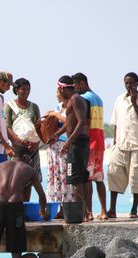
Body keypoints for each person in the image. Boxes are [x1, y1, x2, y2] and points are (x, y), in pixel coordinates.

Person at [0, 144, 48, 258]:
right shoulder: (30, 170)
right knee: (16, 240)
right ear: (25, 157)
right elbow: (42, 195)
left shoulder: (0, 166)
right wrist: (43, 211)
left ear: (13, 155)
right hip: (16, 205)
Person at [107, 72, 138, 219]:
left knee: (136, 178)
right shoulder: (119, 99)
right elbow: (116, 123)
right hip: (120, 144)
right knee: (114, 175)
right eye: (126, 83)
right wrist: (114, 143)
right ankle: (112, 209)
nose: (129, 86)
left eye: (131, 83)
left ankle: (134, 209)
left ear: (137, 83)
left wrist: (133, 102)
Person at [72, 72, 107, 220]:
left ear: (81, 83)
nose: (74, 88)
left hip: (90, 142)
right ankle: (104, 211)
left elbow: (84, 121)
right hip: (100, 141)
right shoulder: (98, 98)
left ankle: (89, 212)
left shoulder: (84, 98)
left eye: (75, 84)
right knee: (99, 178)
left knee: (87, 179)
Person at [58, 75, 91, 220]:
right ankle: (87, 212)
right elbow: (70, 122)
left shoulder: (75, 99)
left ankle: (83, 213)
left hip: (77, 144)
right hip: (79, 142)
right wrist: (56, 134)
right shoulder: (77, 99)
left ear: (63, 88)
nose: (59, 93)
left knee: (75, 180)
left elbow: (81, 121)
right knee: (82, 179)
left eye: (59, 89)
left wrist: (69, 141)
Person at [4, 78, 42, 201]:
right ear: (16, 90)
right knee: (16, 178)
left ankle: (26, 206)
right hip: (17, 149)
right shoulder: (9, 106)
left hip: (33, 149)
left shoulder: (34, 106)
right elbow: (7, 127)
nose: (26, 92)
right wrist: (20, 141)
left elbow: (39, 127)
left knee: (30, 179)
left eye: (28, 89)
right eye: (23, 89)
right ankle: (17, 207)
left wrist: (36, 143)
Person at [45, 90, 73, 215]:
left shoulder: (71, 106)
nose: (56, 94)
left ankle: (66, 208)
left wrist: (56, 114)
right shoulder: (57, 108)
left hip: (65, 145)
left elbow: (69, 122)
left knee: (65, 176)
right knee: (56, 178)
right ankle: (59, 209)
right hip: (54, 147)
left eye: (57, 92)